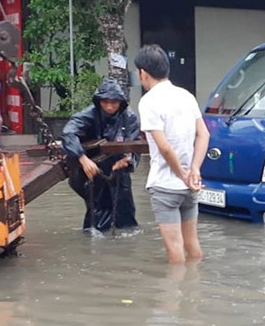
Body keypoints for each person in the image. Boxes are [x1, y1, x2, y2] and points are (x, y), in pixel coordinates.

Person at [135, 44, 210, 264]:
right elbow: (203, 134)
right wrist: (194, 170)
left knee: (175, 250)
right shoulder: (186, 96)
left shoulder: (148, 102)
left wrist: (181, 174)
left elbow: (164, 147)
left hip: (167, 186)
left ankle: (175, 295)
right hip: (190, 185)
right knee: (192, 244)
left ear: (143, 73)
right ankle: (195, 289)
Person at [61, 78, 141, 232]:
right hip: (92, 170)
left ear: (121, 103)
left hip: (119, 170)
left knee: (125, 216)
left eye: (114, 102)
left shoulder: (129, 117)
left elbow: (135, 144)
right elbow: (68, 133)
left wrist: (129, 160)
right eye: (105, 102)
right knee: (97, 213)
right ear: (99, 102)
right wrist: (82, 158)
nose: (109, 106)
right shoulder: (89, 114)